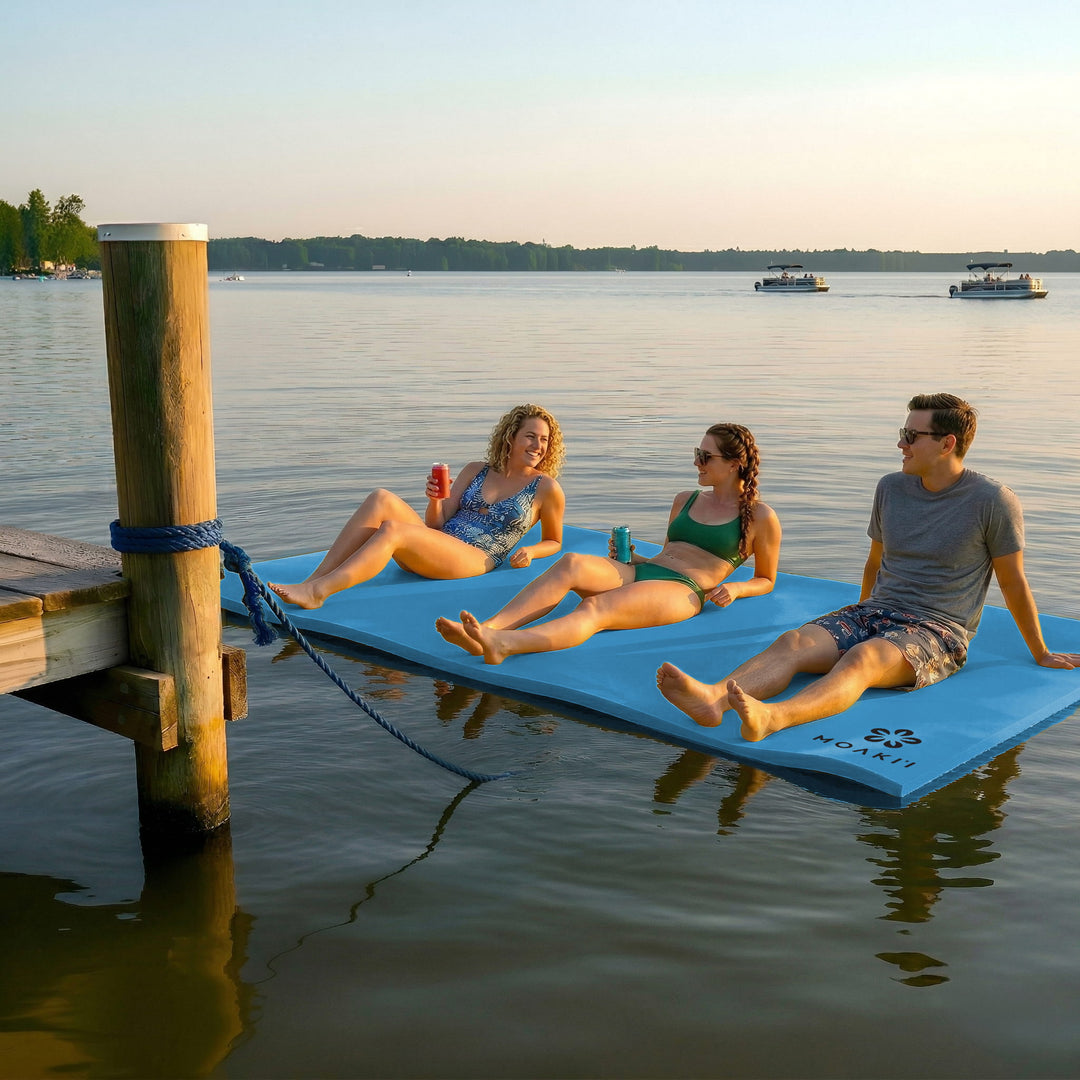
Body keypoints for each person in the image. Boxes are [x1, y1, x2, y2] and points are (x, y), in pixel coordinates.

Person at [657, 393, 1080, 741]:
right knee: (795, 642)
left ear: (947, 443)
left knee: (862, 658)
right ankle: (714, 699)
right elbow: (874, 562)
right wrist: (854, 617)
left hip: (938, 629)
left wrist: (1041, 653)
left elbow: (1013, 582)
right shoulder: (891, 488)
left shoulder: (993, 501)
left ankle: (774, 717)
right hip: (876, 609)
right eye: (903, 433)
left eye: (911, 436)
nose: (901, 444)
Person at [436, 423, 781, 664]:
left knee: (594, 609)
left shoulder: (761, 517)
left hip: (684, 590)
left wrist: (737, 590)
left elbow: (766, 579)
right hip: (646, 570)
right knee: (572, 563)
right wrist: (633, 557)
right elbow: (668, 554)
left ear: (735, 464)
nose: (696, 462)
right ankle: (487, 629)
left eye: (706, 457)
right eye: (697, 453)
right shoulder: (685, 499)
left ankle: (505, 645)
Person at [268, 404, 566, 609]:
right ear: (511, 437)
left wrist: (531, 551)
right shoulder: (476, 469)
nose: (537, 446)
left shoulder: (546, 488)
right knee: (381, 497)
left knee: (394, 530)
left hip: (477, 558)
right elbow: (437, 525)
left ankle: (319, 593)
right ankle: (312, 581)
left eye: (543, 440)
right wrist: (435, 500)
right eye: (530, 436)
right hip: (440, 544)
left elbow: (554, 540)